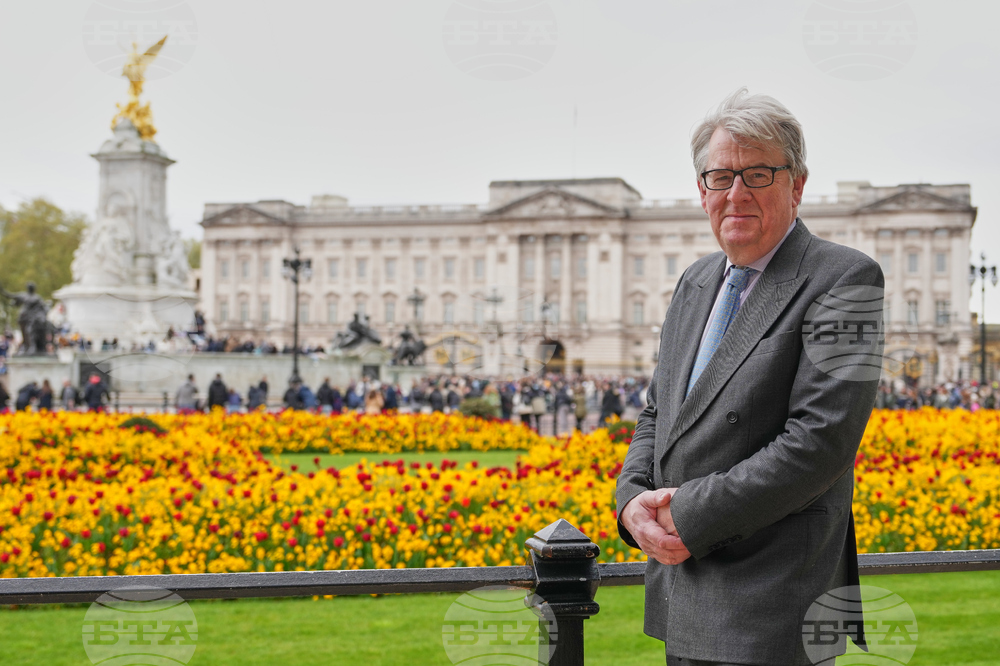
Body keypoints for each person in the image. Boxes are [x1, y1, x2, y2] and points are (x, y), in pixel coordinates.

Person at [615, 89, 883, 666]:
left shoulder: (847, 279)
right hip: (684, 585)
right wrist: (631, 499)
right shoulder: (695, 281)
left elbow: (820, 443)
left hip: (773, 597)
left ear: (797, 185)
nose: (735, 194)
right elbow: (659, 413)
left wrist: (687, 516)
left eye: (757, 174)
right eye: (720, 177)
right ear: (702, 191)